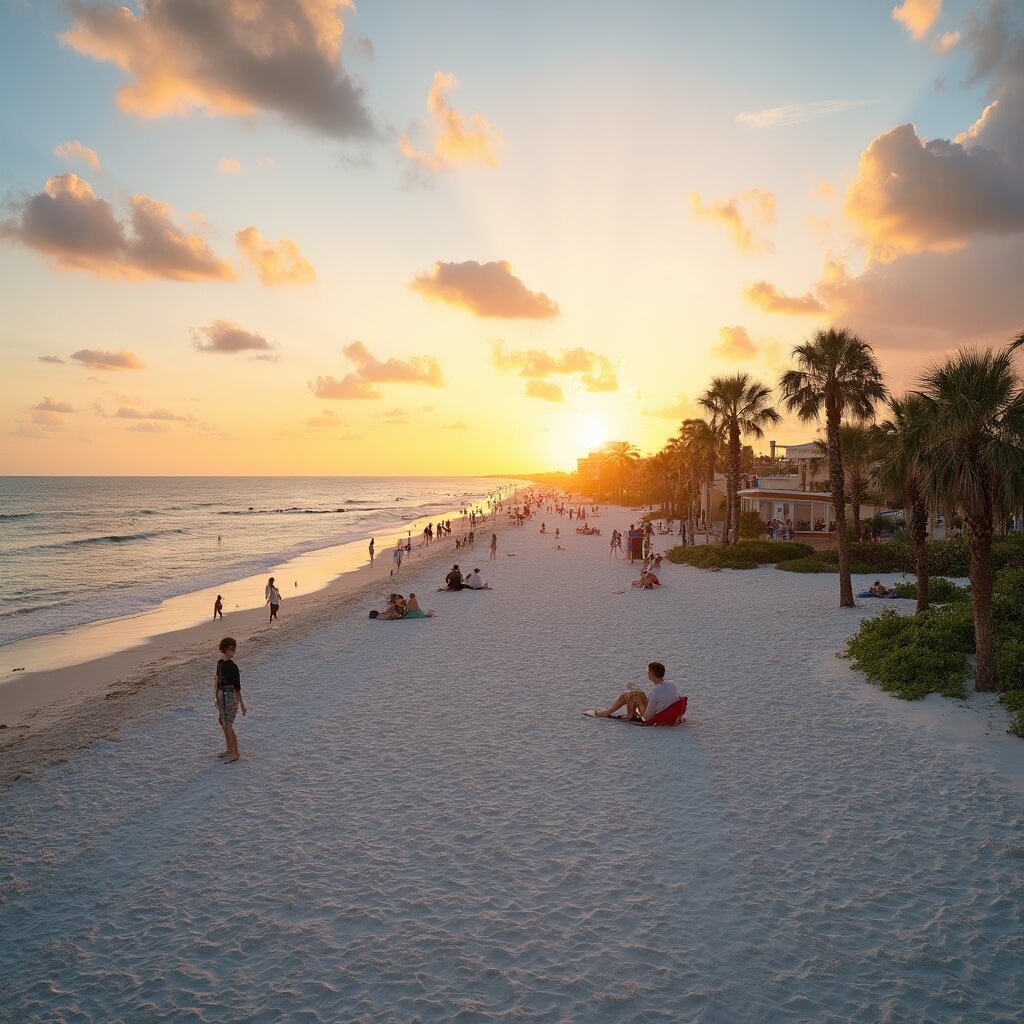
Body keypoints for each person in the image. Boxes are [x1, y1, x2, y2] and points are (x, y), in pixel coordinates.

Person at [595, 662, 679, 722]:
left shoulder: (655, 690)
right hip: (669, 713)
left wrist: (638, 702)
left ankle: (611, 713)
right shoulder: (671, 683)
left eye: (649, 672)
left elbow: (648, 716)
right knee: (636, 693)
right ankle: (628, 713)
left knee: (629, 695)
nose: (647, 674)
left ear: (653, 675)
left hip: (656, 717)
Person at [214, 636, 246, 763]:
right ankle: (229, 749)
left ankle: (236, 753)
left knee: (228, 724)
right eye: (231, 649)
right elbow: (217, 679)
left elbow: (237, 688)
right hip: (222, 696)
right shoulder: (220, 663)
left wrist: (242, 705)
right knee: (222, 722)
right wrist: (216, 695)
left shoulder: (234, 667)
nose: (233, 651)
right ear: (224, 649)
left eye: (234, 649)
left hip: (231, 697)